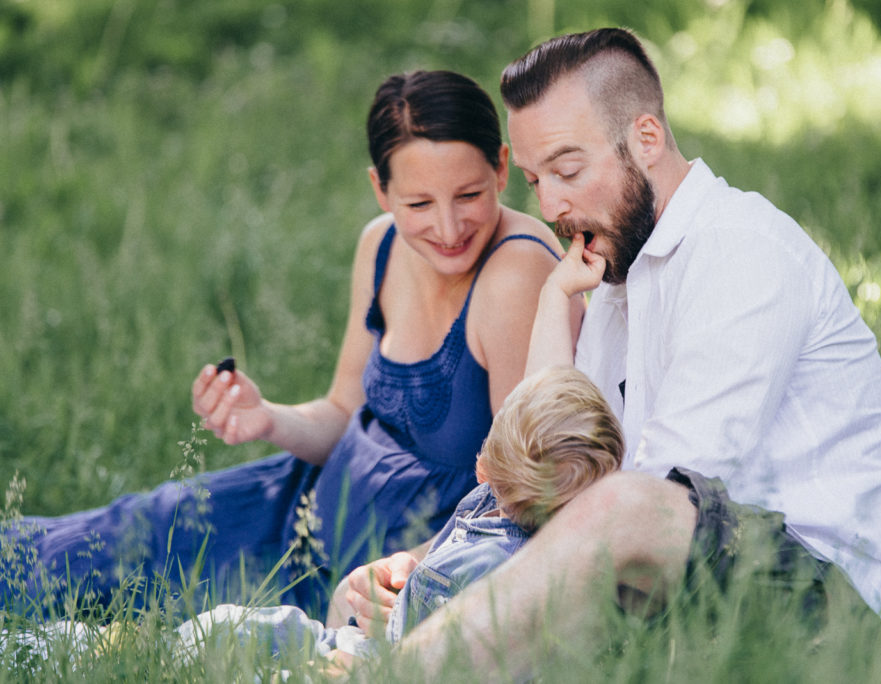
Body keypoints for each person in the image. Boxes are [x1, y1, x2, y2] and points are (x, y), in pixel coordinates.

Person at [343, 28, 881, 677]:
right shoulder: (615, 276)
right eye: (534, 179)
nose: (550, 205)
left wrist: (499, 584)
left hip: (846, 615)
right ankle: (364, 648)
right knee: (394, 577)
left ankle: (396, 673)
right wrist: (455, 574)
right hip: (707, 591)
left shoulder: (740, 253)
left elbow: (660, 503)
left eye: (569, 170)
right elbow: (552, 463)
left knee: (626, 505)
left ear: (646, 138)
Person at [0, 69, 581, 620]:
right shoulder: (380, 245)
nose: (450, 229)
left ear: (502, 168)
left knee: (164, 620)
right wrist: (267, 418)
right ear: (380, 190)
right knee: (108, 539)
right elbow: (342, 412)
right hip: (307, 505)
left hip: (387, 562)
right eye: (420, 204)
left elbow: (517, 491)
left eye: (469, 195)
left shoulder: (514, 276)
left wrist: (411, 569)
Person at [1, 366, 625, 673]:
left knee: (211, 637)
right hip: (331, 603)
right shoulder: (492, 508)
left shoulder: (508, 570)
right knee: (204, 614)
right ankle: (60, 647)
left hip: (350, 656)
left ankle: (46, 653)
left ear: (489, 469)